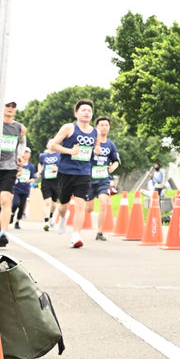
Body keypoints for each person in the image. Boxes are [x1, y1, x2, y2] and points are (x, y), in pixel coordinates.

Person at [49, 99, 99, 249]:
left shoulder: (95, 132)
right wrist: (70, 151)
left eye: (89, 110)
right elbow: (52, 145)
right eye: (83, 110)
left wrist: (96, 150)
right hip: (65, 171)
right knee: (63, 205)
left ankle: (76, 235)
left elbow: (95, 148)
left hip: (84, 172)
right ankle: (63, 218)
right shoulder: (69, 128)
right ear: (76, 113)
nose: (86, 113)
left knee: (80, 203)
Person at [0, 101, 26, 247]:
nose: (10, 109)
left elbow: (22, 143)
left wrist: (20, 156)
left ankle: (3, 233)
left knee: (5, 199)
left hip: (9, 167)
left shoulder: (19, 127)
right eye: (7, 106)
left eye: (13, 107)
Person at [88, 116, 120, 242]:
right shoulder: (91, 142)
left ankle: (100, 232)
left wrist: (113, 167)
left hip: (103, 179)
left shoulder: (110, 144)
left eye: (106, 125)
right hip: (89, 179)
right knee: (89, 208)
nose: (104, 127)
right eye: (101, 125)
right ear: (96, 127)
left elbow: (116, 160)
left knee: (103, 202)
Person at [37, 143, 61, 230]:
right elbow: (40, 164)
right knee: (47, 202)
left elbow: (64, 166)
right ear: (47, 145)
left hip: (56, 181)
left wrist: (57, 169)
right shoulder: (43, 155)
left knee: (54, 204)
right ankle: (46, 222)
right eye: (50, 143)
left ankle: (50, 217)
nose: (51, 144)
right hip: (46, 181)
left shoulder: (59, 155)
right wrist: (39, 171)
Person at [9, 148, 34, 230]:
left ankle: (17, 222)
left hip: (25, 188)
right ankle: (12, 214)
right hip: (16, 187)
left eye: (27, 153)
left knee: (21, 206)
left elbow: (33, 178)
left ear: (29, 154)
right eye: (24, 152)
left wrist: (29, 180)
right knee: (15, 203)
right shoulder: (18, 164)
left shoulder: (31, 166)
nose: (25, 154)